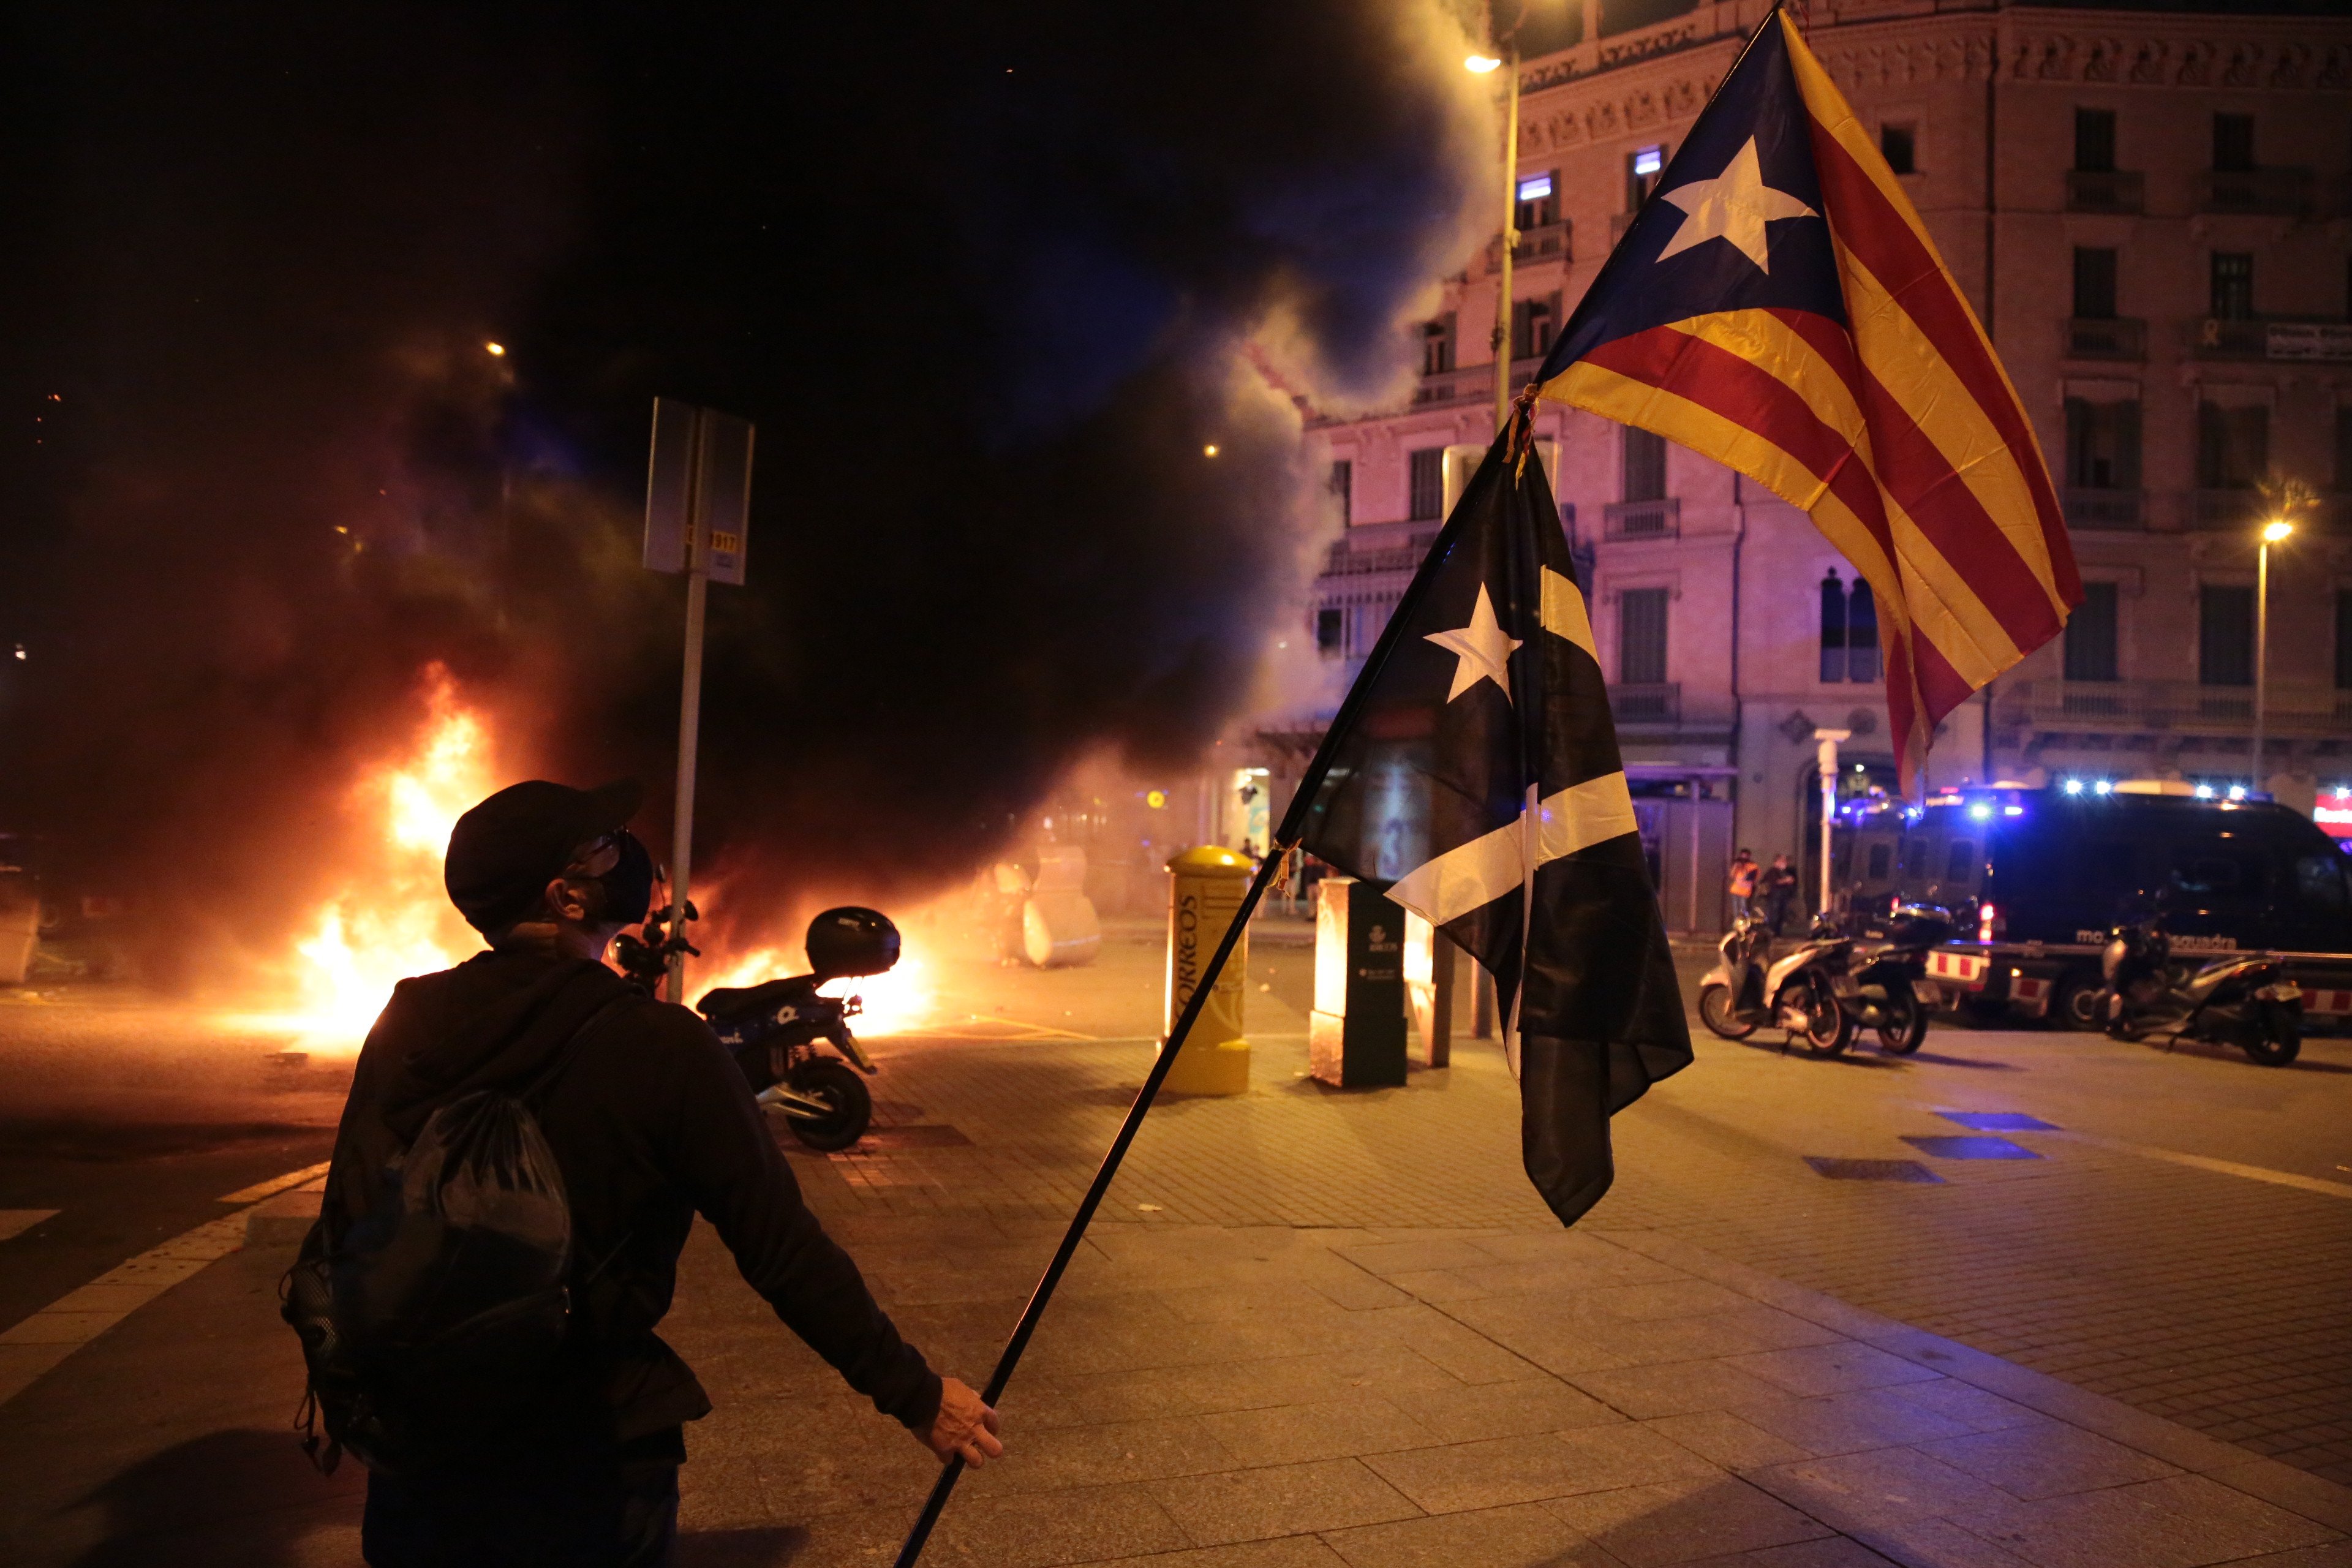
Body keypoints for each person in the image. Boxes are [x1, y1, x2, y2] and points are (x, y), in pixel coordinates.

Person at [312, 779, 1001, 1566]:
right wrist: (915, 1394)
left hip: (423, 1449)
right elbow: (781, 1248)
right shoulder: (663, 1045)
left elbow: (349, 1219)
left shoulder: (409, 1018)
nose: (626, 853)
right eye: (604, 845)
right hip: (589, 1448)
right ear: (567, 897)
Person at [1760, 852, 1800, 935]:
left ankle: (1778, 932)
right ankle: (1773, 932)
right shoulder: (1772, 871)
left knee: (1781, 915)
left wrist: (1790, 881)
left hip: (1783, 896)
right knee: (1774, 915)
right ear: (1777, 862)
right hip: (1775, 896)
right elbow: (1774, 882)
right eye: (1783, 861)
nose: (1785, 863)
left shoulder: (1784, 872)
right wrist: (1786, 881)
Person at [1726, 848, 1759, 921]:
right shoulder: (1737, 864)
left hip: (1745, 891)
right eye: (1742, 856)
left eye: (1746, 856)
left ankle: (1744, 926)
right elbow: (1731, 876)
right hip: (1735, 891)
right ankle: (1736, 925)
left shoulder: (1753, 866)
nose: (1743, 858)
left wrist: (1743, 868)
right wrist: (1736, 866)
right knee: (1736, 911)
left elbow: (1750, 878)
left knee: (1744, 910)